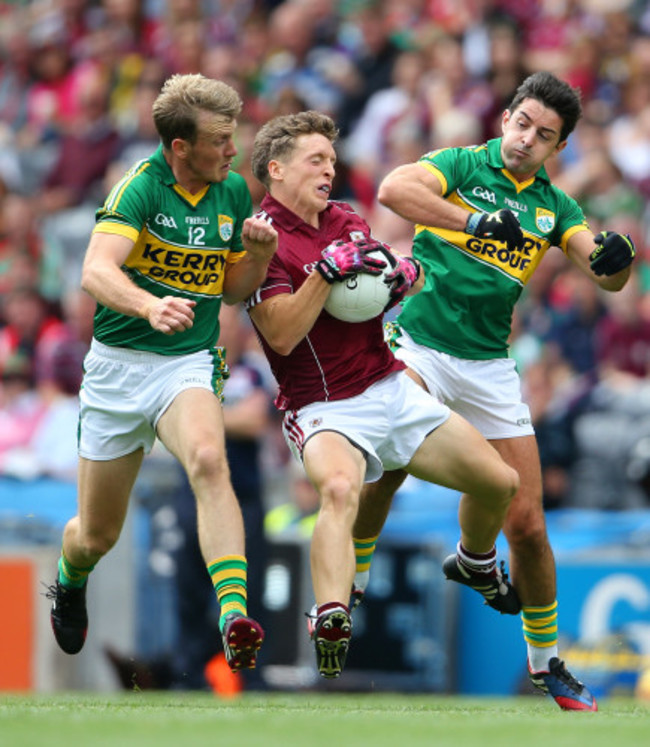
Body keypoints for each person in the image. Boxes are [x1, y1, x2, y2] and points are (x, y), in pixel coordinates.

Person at [354, 71, 636, 711]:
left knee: (530, 527)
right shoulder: (460, 163)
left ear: (557, 149)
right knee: (387, 457)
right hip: (419, 339)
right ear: (506, 116)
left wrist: (616, 260)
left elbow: (602, 268)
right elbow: (397, 189)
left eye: (544, 136)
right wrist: (476, 221)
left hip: (488, 366)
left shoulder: (554, 206)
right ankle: (358, 577)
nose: (526, 140)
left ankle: (545, 664)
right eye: (522, 123)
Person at [245, 110, 519, 680]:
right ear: (276, 169)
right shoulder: (260, 242)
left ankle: (474, 560)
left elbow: (373, 286)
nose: (330, 169)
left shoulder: (343, 216)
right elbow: (281, 332)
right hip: (322, 406)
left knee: (500, 483)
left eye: (332, 158)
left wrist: (401, 276)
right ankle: (331, 616)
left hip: (390, 386)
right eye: (315, 160)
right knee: (341, 491)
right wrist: (323, 273)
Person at [45, 73, 278, 674]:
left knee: (207, 457)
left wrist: (256, 257)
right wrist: (148, 304)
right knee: (96, 535)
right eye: (221, 139)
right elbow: (96, 270)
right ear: (180, 147)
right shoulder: (139, 190)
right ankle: (71, 580)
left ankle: (233, 614)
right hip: (119, 371)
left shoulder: (230, 193)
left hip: (187, 363)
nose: (233, 150)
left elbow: (231, 293)